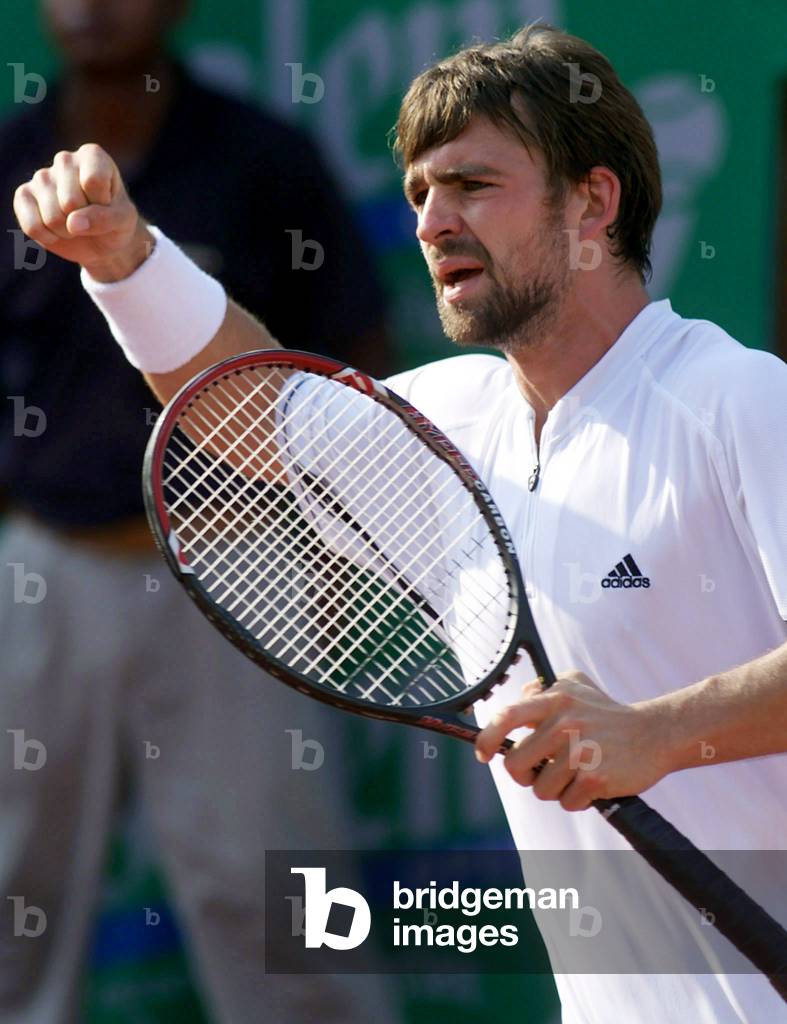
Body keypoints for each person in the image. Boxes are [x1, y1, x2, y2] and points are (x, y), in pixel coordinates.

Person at [12, 20, 787, 1024]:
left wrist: (656, 732)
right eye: (420, 193)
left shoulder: (740, 400)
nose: (430, 220)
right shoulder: (453, 427)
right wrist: (124, 258)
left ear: (592, 203)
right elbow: (244, 405)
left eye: (473, 185)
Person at [1, 1, 396, 1022]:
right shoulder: (5, 156)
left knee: (273, 885)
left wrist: (332, 548)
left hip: (240, 566)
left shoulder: (263, 157)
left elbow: (352, 351)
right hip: (42, 567)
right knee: (11, 886)